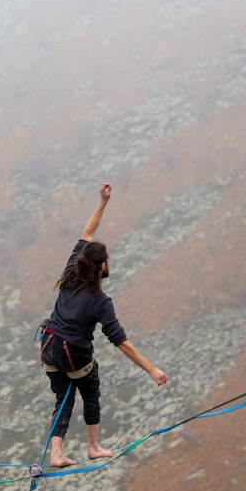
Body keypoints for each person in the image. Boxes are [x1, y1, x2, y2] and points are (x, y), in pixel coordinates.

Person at [39, 182, 169, 468]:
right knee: (90, 388)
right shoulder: (101, 300)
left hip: (47, 345)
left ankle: (56, 453)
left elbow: (87, 233)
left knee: (63, 396)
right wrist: (152, 369)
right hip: (72, 351)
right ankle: (93, 447)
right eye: (106, 260)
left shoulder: (71, 269)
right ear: (101, 266)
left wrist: (103, 202)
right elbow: (121, 341)